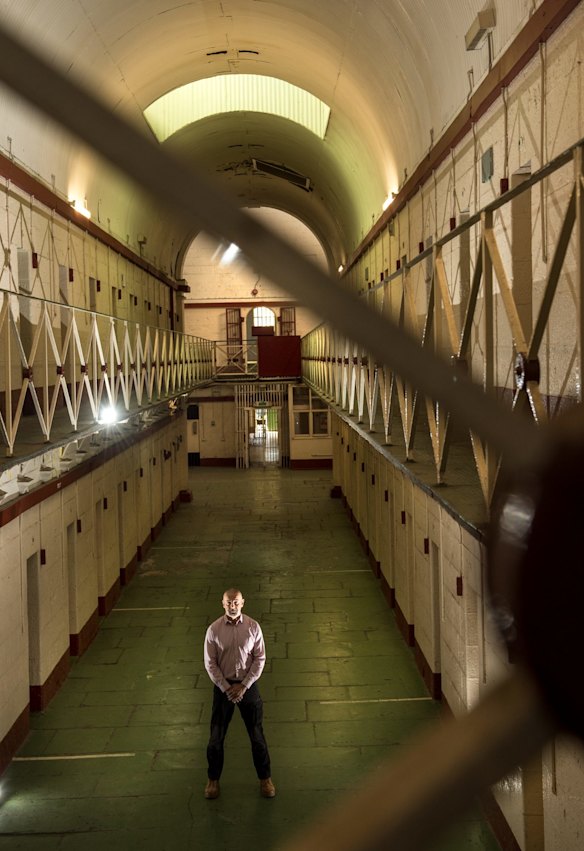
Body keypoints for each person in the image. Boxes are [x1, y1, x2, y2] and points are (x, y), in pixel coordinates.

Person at [203, 588, 276, 799]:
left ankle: (265, 779)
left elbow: (259, 659)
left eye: (236, 602)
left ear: (242, 603)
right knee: (216, 737)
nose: (232, 606)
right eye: (229, 602)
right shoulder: (213, 630)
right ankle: (213, 780)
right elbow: (210, 664)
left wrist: (244, 686)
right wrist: (227, 688)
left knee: (257, 736)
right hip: (223, 687)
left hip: (247, 686)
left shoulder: (253, 627)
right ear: (222, 603)